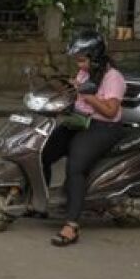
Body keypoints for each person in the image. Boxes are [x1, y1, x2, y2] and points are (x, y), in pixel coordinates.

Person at [40, 30, 126, 247]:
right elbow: (76, 96)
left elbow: (110, 111)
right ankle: (39, 203)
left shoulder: (112, 77)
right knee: (43, 152)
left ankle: (71, 225)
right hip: (79, 121)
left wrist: (88, 95)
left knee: (75, 166)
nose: (79, 66)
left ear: (95, 57)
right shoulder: (85, 74)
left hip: (103, 127)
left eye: (81, 60)